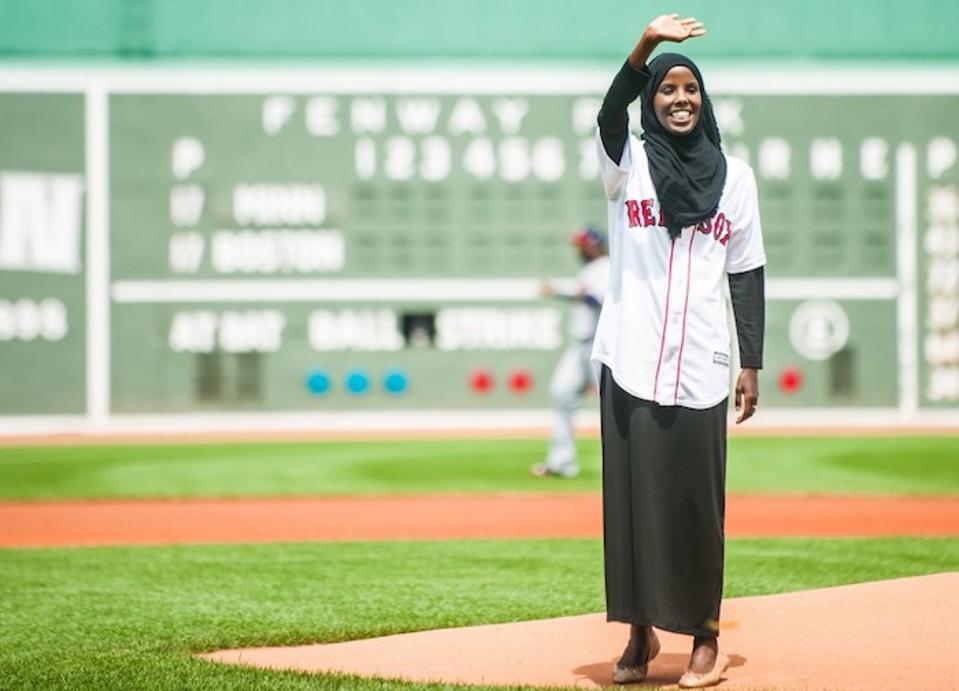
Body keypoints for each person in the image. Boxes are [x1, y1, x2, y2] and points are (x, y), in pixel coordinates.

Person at [591, 13, 766, 689]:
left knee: (697, 507)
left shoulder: (736, 178)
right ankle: (639, 632)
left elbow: (746, 271)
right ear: (652, 99)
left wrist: (750, 361)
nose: (680, 99)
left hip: (701, 363)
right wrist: (647, 44)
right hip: (629, 357)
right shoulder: (626, 165)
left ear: (704, 100)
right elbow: (609, 111)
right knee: (631, 508)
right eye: (667, 89)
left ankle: (703, 636)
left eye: (690, 89)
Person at [531, 225, 611, 478]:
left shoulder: (607, 267)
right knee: (561, 393)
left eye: (583, 245)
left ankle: (624, 464)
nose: (579, 250)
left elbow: (596, 300)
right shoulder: (588, 270)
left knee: (612, 406)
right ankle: (562, 462)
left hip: (601, 346)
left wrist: (560, 292)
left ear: (594, 246)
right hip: (579, 346)